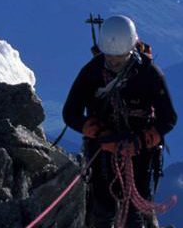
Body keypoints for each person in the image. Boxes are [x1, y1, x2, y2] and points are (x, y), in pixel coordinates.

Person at [63, 15, 177, 228]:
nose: (113, 62)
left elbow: (168, 117)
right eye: (110, 56)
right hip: (109, 150)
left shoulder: (148, 74)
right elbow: (70, 112)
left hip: (135, 152)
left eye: (119, 57)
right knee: (104, 206)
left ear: (132, 49)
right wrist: (100, 134)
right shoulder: (95, 72)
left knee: (132, 210)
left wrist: (138, 141)